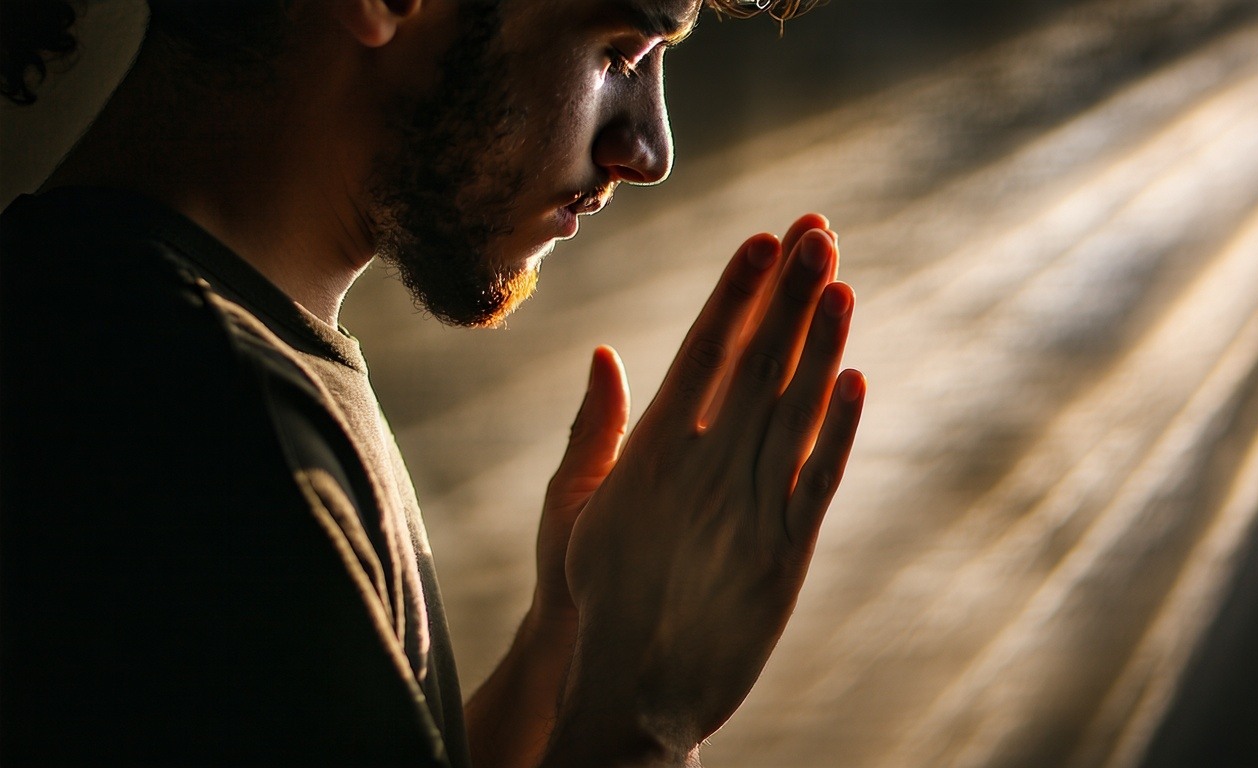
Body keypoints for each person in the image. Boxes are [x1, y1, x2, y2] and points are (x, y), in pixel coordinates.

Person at [0, 0, 866, 765]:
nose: (649, 151)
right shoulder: (188, 427)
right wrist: (645, 712)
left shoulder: (183, 348)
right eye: (622, 53)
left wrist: (566, 642)